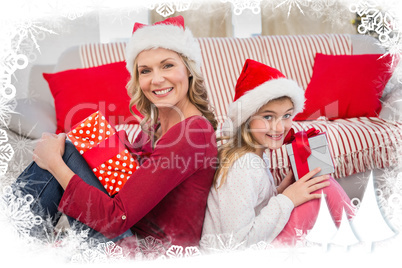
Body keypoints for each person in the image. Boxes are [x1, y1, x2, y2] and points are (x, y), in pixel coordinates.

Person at [12, 16, 218, 253]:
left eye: (168, 65)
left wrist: (55, 163)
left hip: (146, 253)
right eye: (145, 71)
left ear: (189, 70)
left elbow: (115, 218)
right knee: (75, 146)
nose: (157, 79)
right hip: (132, 236)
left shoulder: (192, 131)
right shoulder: (159, 125)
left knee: (67, 153)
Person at [201, 59, 353, 249]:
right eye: (267, 117)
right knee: (323, 187)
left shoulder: (255, 155)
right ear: (246, 119)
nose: (279, 127)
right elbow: (237, 243)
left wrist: (281, 190)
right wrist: (287, 199)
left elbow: (255, 207)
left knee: (318, 184)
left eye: (287, 116)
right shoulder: (243, 166)